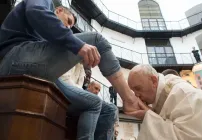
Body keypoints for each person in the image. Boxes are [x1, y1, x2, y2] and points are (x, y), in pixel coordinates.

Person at [0, 0, 139, 114]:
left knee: (105, 109)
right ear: (59, 10)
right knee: (97, 40)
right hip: (12, 58)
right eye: (68, 21)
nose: (68, 28)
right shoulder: (44, 4)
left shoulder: (48, 36)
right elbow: (35, 11)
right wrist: (78, 45)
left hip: (29, 65)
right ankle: (130, 100)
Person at [126, 64, 202, 140]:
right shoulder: (166, 96)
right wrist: (150, 114)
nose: (136, 95)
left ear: (154, 81)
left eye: (138, 88)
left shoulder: (185, 95)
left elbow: (188, 137)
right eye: (133, 91)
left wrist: (148, 117)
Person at [57, 63, 118, 139]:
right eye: (96, 88)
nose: (97, 91)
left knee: (112, 108)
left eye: (99, 90)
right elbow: (64, 80)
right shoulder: (70, 58)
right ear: (89, 86)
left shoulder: (82, 68)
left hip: (76, 97)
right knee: (102, 104)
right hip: (64, 94)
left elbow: (78, 87)